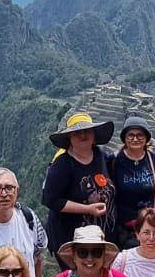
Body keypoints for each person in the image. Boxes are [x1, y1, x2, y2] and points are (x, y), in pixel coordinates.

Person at [42, 110, 117, 258]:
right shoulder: (62, 164)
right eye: (77, 132)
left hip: (102, 237)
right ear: (70, 138)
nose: (83, 135)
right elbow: (51, 200)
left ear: (94, 134)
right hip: (72, 241)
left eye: (87, 131)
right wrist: (87, 209)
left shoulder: (101, 156)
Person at [109, 117, 155, 244]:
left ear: (146, 138)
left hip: (151, 223)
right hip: (124, 227)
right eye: (131, 135)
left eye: (140, 135)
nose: (135, 139)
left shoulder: (154, 160)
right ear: (124, 138)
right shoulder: (114, 161)